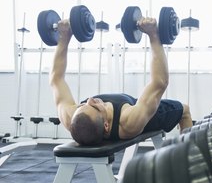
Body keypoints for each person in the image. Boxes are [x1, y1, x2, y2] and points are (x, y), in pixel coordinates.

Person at [49, 17, 193, 145]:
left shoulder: (71, 118)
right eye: (94, 107)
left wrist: (64, 37)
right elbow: (160, 82)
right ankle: (189, 161)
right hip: (134, 106)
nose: (91, 100)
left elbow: (56, 79)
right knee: (184, 110)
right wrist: (153, 35)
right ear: (106, 126)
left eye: (82, 105)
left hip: (119, 110)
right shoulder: (129, 121)